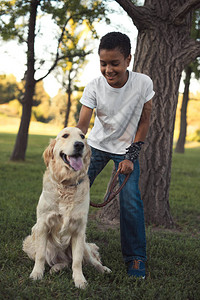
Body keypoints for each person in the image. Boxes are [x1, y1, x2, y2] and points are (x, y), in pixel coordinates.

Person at [77, 32, 155, 279]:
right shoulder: (94, 86)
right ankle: (62, 248)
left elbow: (144, 122)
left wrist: (131, 156)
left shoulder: (143, 83)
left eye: (114, 63)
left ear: (128, 60)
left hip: (126, 151)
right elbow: (82, 125)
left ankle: (135, 259)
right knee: (71, 191)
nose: (108, 70)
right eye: (103, 63)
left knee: (131, 201)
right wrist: (72, 149)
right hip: (97, 146)